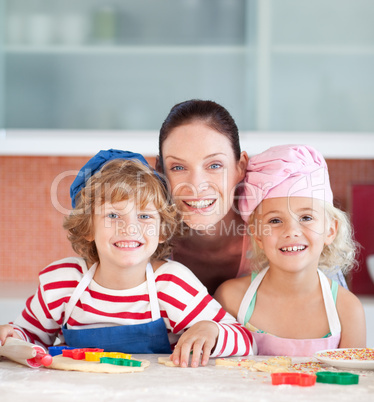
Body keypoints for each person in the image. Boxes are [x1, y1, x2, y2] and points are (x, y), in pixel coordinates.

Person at [0, 150, 256, 368]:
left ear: (162, 229)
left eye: (144, 216)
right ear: (88, 227)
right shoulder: (63, 283)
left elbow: (246, 340)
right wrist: (9, 337)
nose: (130, 228)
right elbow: (29, 338)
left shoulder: (169, 284)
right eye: (113, 216)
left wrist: (211, 330)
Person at [157, 99, 348, 295]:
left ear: (240, 167)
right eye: (178, 167)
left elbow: (333, 311)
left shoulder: (282, 233)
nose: (196, 185)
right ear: (161, 172)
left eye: (215, 165)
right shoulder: (147, 240)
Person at [214, 144, 366, 356]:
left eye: (306, 217)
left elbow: (352, 384)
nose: (291, 231)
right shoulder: (231, 298)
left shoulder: (347, 310)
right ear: (257, 235)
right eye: (275, 220)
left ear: (330, 230)